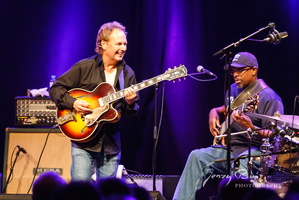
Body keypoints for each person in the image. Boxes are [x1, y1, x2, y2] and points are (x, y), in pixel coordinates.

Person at [172, 52, 284, 200]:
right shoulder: (233, 89)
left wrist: (250, 127)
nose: (235, 75)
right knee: (197, 156)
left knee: (241, 162)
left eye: (240, 70)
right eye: (233, 71)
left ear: (254, 70)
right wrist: (213, 112)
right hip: (231, 150)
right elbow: (225, 109)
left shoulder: (270, 97)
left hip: (256, 153)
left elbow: (275, 136)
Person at [50, 21, 139, 181]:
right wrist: (73, 103)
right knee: (80, 192)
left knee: (107, 194)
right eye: (119, 43)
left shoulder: (127, 73)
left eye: (125, 43)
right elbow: (56, 88)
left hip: (111, 144)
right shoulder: (85, 67)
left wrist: (130, 103)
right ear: (104, 44)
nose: (124, 48)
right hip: (83, 140)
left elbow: (130, 113)